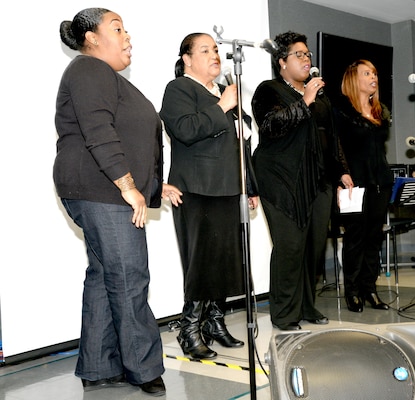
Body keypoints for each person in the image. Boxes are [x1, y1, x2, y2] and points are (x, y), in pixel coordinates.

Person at [54, 8, 182, 396]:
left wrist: (156, 184)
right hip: (103, 189)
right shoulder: (88, 69)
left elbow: (132, 137)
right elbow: (98, 129)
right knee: (129, 277)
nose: (128, 37)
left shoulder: (102, 76)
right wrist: (127, 185)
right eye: (118, 29)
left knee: (103, 277)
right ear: (92, 38)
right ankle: (143, 369)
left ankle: (98, 366)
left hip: (97, 189)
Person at [159, 33, 258, 360]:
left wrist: (251, 188)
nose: (215, 55)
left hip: (230, 187)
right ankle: (190, 330)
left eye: (216, 49)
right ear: (187, 58)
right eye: (206, 50)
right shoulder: (180, 89)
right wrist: (223, 106)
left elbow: (242, 145)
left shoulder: (222, 90)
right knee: (201, 262)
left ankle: (215, 322)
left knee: (226, 261)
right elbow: (184, 130)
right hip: (197, 189)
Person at [251, 31, 353, 331]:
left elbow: (330, 139)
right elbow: (270, 126)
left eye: (308, 54)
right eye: (299, 54)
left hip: (317, 182)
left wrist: (341, 170)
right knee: (290, 246)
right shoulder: (267, 90)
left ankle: (307, 307)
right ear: (282, 62)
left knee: (312, 247)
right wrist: (304, 100)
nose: (307, 59)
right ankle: (284, 314)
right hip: (281, 182)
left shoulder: (320, 98)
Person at [333, 59, 392, 313]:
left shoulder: (381, 112)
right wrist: (340, 175)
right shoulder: (341, 111)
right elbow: (334, 147)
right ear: (353, 79)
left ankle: (370, 289)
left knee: (373, 238)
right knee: (355, 239)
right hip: (353, 184)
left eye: (375, 73)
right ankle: (353, 292)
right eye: (367, 73)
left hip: (380, 182)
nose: (374, 77)